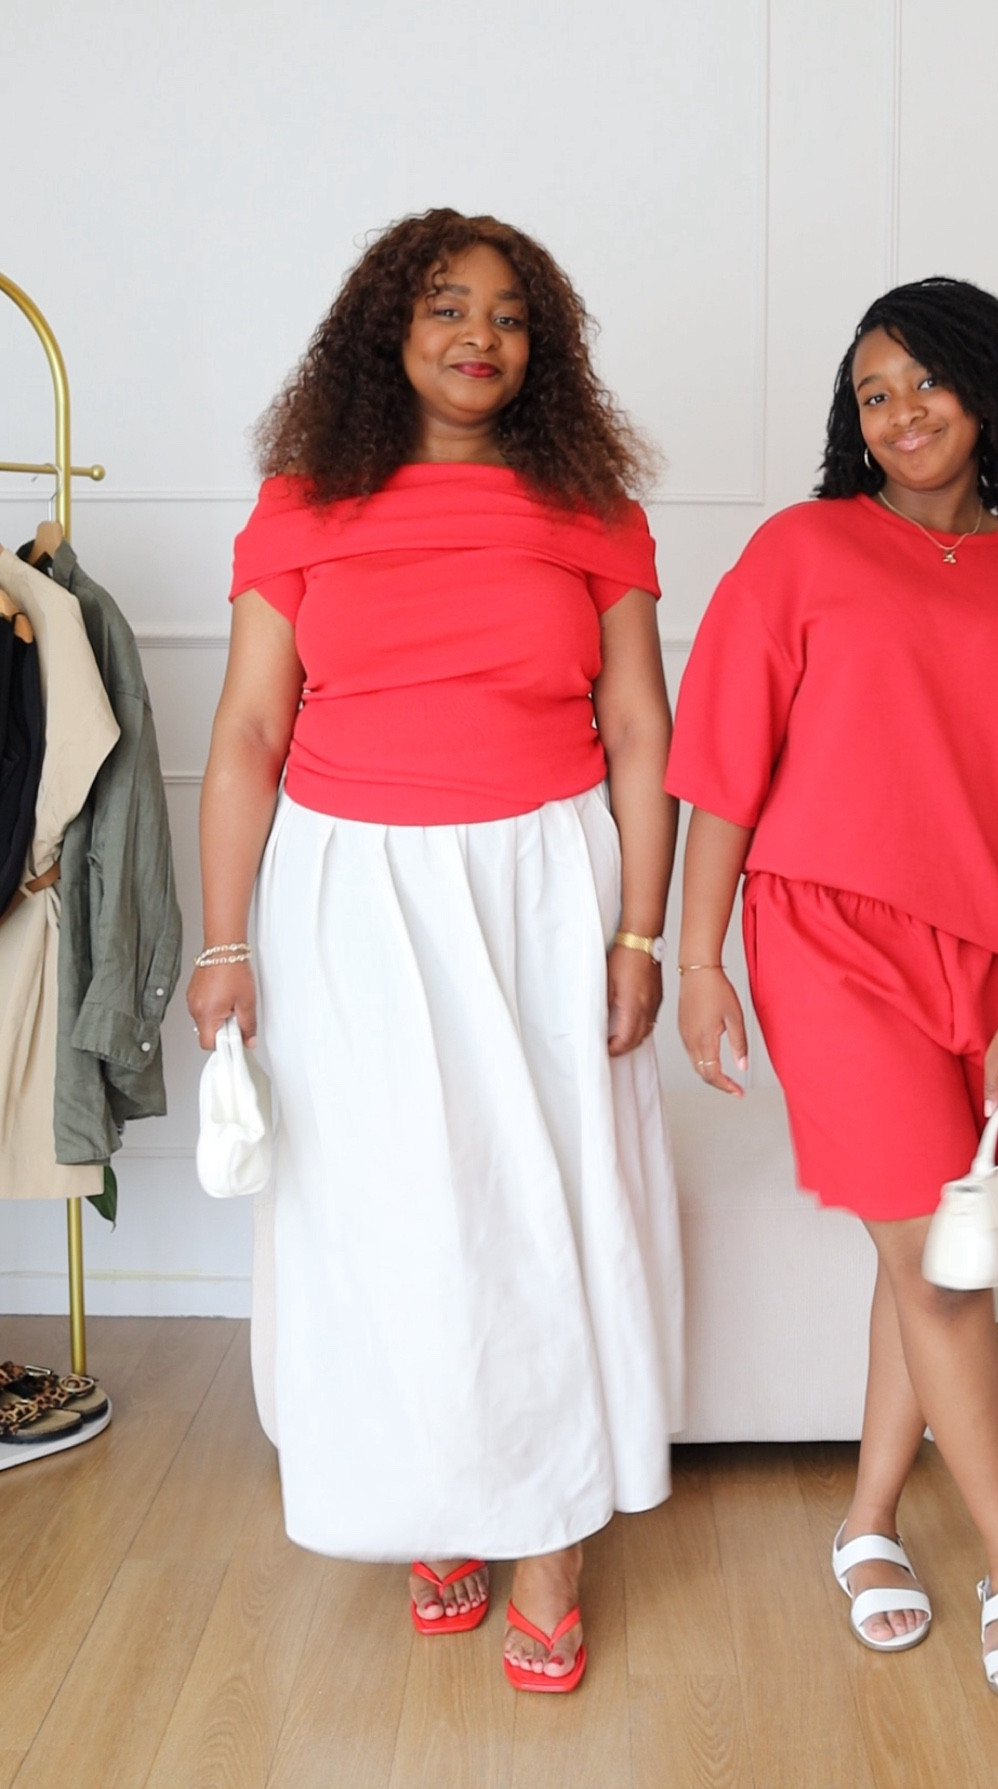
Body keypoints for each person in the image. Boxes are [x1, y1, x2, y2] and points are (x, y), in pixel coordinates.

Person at [188, 208, 683, 1693]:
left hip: (541, 877)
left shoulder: (586, 500)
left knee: (542, 1203)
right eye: (445, 305)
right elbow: (247, 735)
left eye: (510, 314)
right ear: (383, 332)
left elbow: (645, 729)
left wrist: (641, 924)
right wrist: (223, 943)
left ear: (543, 349)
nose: (480, 334)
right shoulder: (300, 503)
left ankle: (548, 1535)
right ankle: (434, 1493)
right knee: (386, 1211)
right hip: (344, 891)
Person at [666, 277, 998, 1714]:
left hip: (994, 959)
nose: (901, 410)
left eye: (925, 380)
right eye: (872, 393)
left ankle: (866, 1523)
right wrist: (696, 959)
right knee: (938, 1255)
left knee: (926, 1251)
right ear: (849, 425)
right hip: (826, 941)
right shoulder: (798, 552)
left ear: (987, 391)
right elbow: (720, 770)